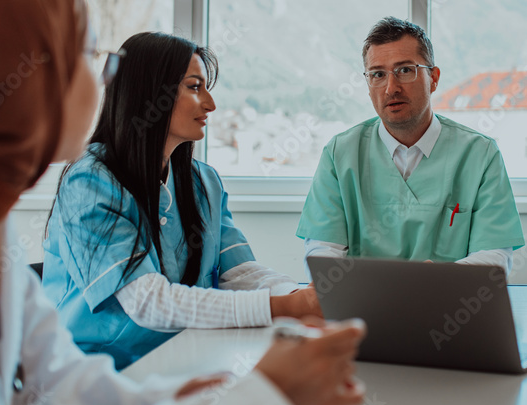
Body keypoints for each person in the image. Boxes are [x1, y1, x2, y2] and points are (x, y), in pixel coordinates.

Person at [0, 0, 366, 405]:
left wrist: (174, 402)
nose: (105, 76)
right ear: (23, 67)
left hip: (168, 361)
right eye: (89, 54)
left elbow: (61, 384)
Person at [43, 31, 320, 369]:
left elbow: (239, 272)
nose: (210, 104)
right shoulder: (89, 182)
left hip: (181, 358)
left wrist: (297, 295)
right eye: (194, 87)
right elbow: (146, 302)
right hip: (95, 376)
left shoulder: (203, 181)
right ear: (149, 93)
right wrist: (287, 307)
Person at [297, 17, 525, 272]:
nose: (390, 88)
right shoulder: (340, 154)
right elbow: (322, 253)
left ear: (434, 78)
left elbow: (494, 257)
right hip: (363, 308)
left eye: (405, 70)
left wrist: (432, 282)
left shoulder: (480, 154)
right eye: (378, 75)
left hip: (450, 304)